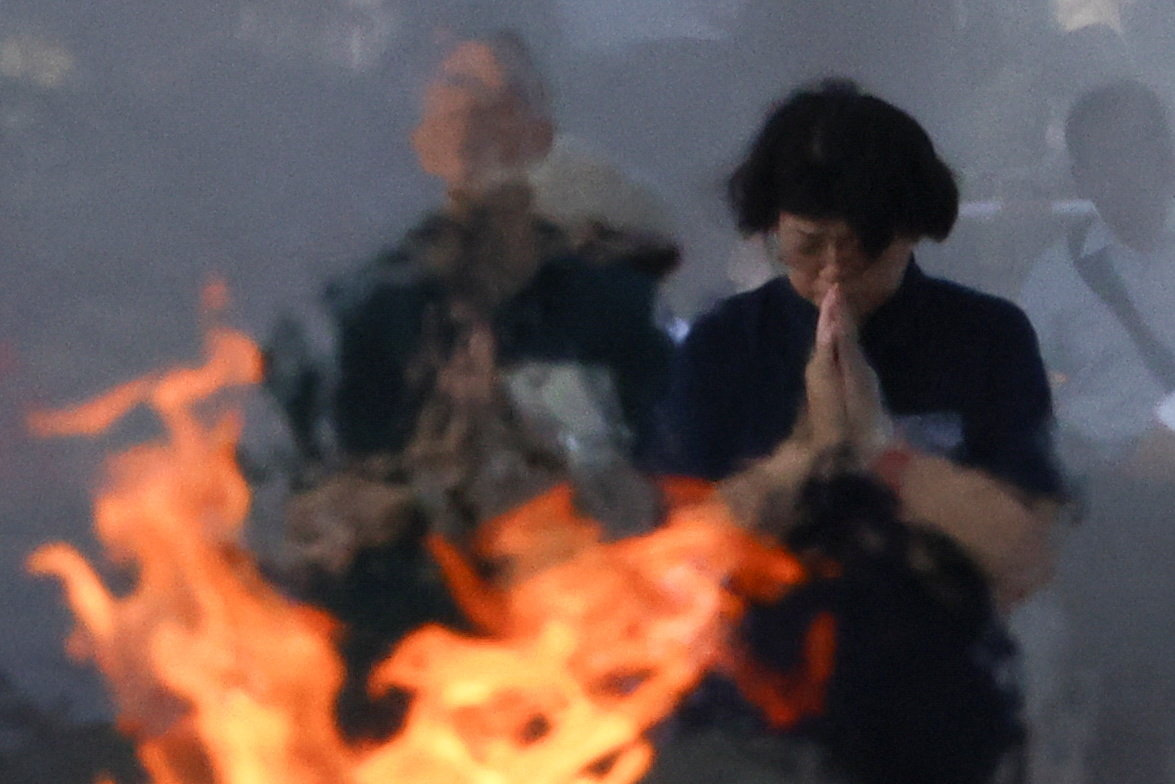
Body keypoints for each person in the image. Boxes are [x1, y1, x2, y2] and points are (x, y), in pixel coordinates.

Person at [259, 31, 676, 737]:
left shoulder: (609, 307)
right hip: (390, 660)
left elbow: (661, 483)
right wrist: (386, 499)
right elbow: (301, 492)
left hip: (564, 657)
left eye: (497, 100)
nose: (471, 117)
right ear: (419, 136)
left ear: (538, 134)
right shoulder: (361, 310)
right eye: (452, 91)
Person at [657, 80, 1065, 608]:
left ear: (911, 231)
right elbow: (679, 547)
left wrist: (884, 453)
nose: (833, 271)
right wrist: (809, 452)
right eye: (808, 247)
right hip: (769, 631)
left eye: (861, 250)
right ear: (774, 229)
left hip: (938, 632)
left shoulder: (987, 336)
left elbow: (1026, 545)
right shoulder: (725, 342)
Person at [1019, 80, 1175, 784]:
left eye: (1134, 154)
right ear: (1080, 178)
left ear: (1164, 154)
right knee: (1123, 679)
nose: (1121, 178)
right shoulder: (1056, 277)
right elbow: (1024, 393)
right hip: (1113, 506)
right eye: (1101, 164)